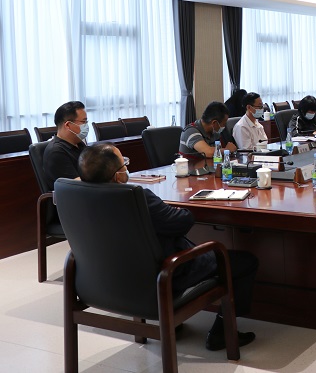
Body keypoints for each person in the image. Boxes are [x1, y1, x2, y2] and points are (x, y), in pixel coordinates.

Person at [77, 143, 258, 351]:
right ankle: (222, 333)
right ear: (118, 176)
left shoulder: (79, 198)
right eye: (124, 164)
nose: (127, 167)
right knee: (244, 262)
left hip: (108, 282)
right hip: (165, 275)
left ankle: (174, 322)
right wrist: (178, 209)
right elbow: (181, 222)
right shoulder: (135, 197)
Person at [43, 100, 88, 192]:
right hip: (75, 198)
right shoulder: (56, 152)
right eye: (83, 122)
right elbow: (77, 185)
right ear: (68, 125)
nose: (86, 126)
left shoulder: (79, 144)